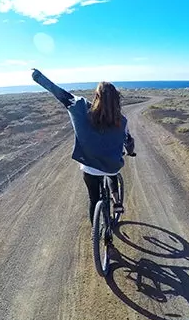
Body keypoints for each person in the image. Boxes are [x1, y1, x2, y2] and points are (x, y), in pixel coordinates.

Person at [31, 69, 135, 222]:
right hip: (111, 166)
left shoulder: (81, 109)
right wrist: (130, 151)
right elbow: (128, 141)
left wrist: (39, 78)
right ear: (116, 99)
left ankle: (97, 233)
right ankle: (116, 200)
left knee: (94, 200)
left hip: (89, 167)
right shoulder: (122, 121)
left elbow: (60, 94)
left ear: (96, 96)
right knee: (112, 172)